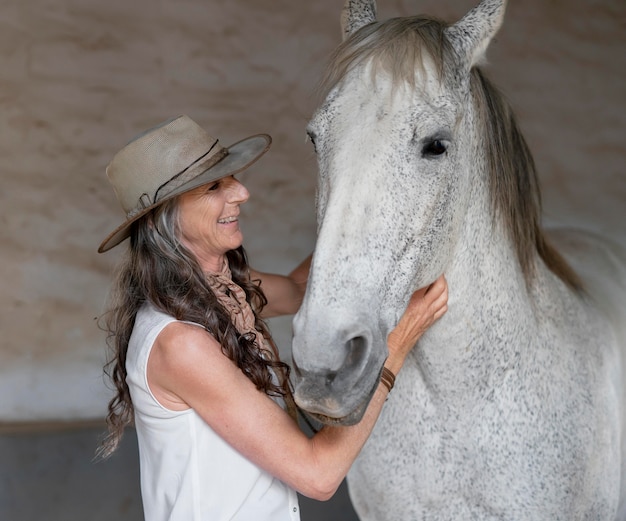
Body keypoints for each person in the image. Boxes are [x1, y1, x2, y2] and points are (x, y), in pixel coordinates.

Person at [97, 114, 448, 521]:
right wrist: (396, 346)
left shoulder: (222, 291)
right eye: (215, 186)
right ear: (166, 218)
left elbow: (300, 290)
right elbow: (318, 475)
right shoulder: (181, 343)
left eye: (233, 178)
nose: (242, 192)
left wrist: (361, 220)